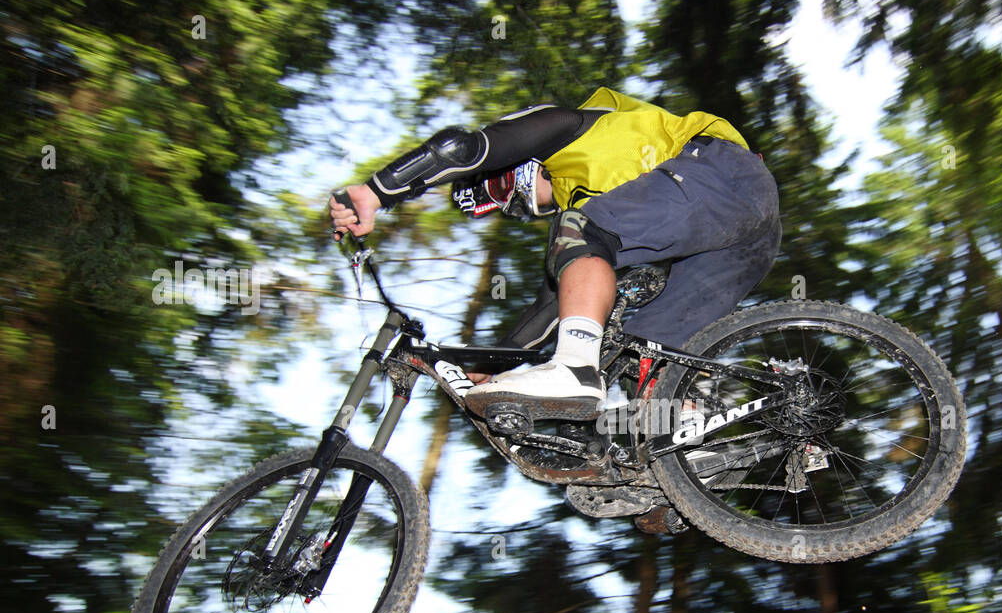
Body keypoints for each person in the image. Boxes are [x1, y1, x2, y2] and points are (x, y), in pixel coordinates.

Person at [329, 87, 781, 422]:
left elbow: (461, 149)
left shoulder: (570, 129)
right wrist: (485, 368)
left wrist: (377, 191)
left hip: (719, 171)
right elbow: (552, 311)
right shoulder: (595, 205)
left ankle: (575, 374)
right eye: (512, 208)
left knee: (578, 232)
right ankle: (689, 453)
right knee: (642, 350)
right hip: (745, 234)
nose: (521, 206)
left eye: (505, 189)